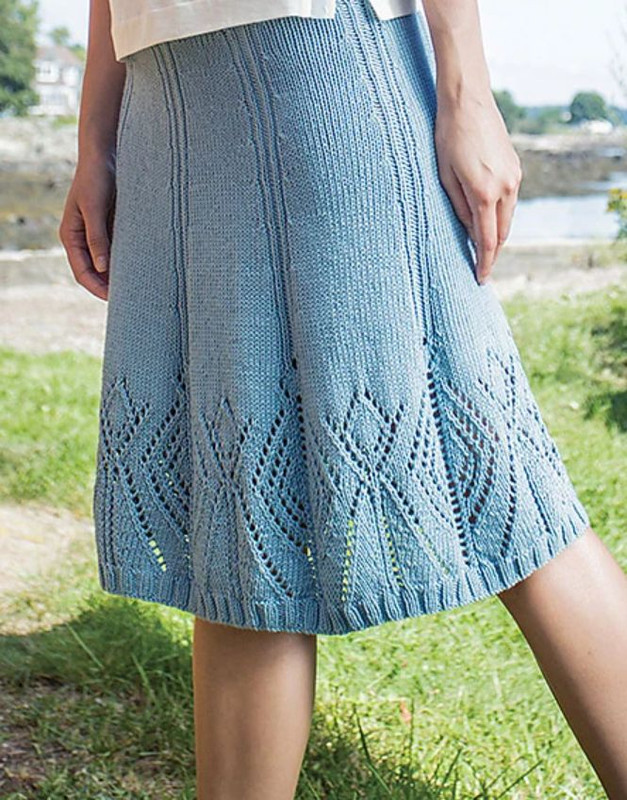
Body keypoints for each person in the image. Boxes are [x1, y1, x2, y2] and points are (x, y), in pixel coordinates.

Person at [59, 0, 627, 797]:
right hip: (165, 101)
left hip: (324, 64)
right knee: (238, 513)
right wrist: (97, 140)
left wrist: (466, 93)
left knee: (500, 483)